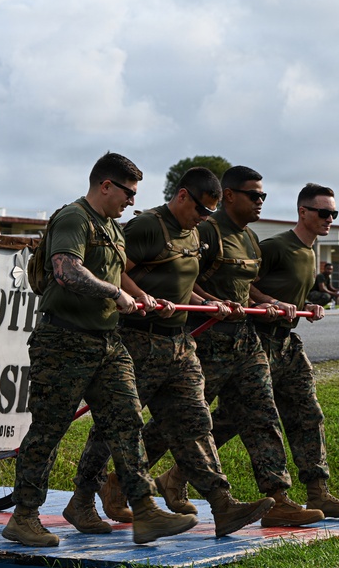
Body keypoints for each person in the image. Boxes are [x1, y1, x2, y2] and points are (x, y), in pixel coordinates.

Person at [3, 153, 197, 548]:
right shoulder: (74, 218)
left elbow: (117, 271)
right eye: (128, 192)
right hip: (63, 341)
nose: (131, 201)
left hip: (107, 342)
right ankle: (23, 516)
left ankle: (143, 509)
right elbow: (66, 270)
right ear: (105, 185)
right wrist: (115, 293)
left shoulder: (111, 226)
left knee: (126, 424)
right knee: (49, 431)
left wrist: (139, 295)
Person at [71, 168, 274, 538]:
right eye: (200, 210)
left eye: (210, 213)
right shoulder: (148, 226)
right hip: (137, 340)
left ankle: (222, 504)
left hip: (178, 343)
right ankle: (82, 500)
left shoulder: (194, 231)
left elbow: (184, 283)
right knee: (113, 428)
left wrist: (211, 303)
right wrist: (141, 297)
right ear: (182, 196)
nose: (204, 218)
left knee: (195, 423)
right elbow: (114, 272)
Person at [138, 165, 324, 529]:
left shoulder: (251, 239)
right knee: (179, 422)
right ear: (231, 195)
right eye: (254, 195)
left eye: (263, 196)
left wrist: (266, 300)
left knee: (261, 414)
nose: (260, 202)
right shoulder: (206, 230)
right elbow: (184, 276)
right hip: (206, 341)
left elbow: (249, 286)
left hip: (244, 340)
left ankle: (278, 498)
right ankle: (120, 481)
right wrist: (211, 301)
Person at [232, 183, 339, 518]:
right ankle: (171, 479)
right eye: (323, 212)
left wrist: (308, 306)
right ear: (302, 212)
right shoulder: (276, 246)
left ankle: (318, 492)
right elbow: (241, 287)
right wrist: (271, 303)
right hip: (256, 342)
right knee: (234, 420)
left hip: (286, 342)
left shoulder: (310, 251)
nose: (329, 219)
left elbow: (288, 292)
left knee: (308, 413)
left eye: (334, 213)